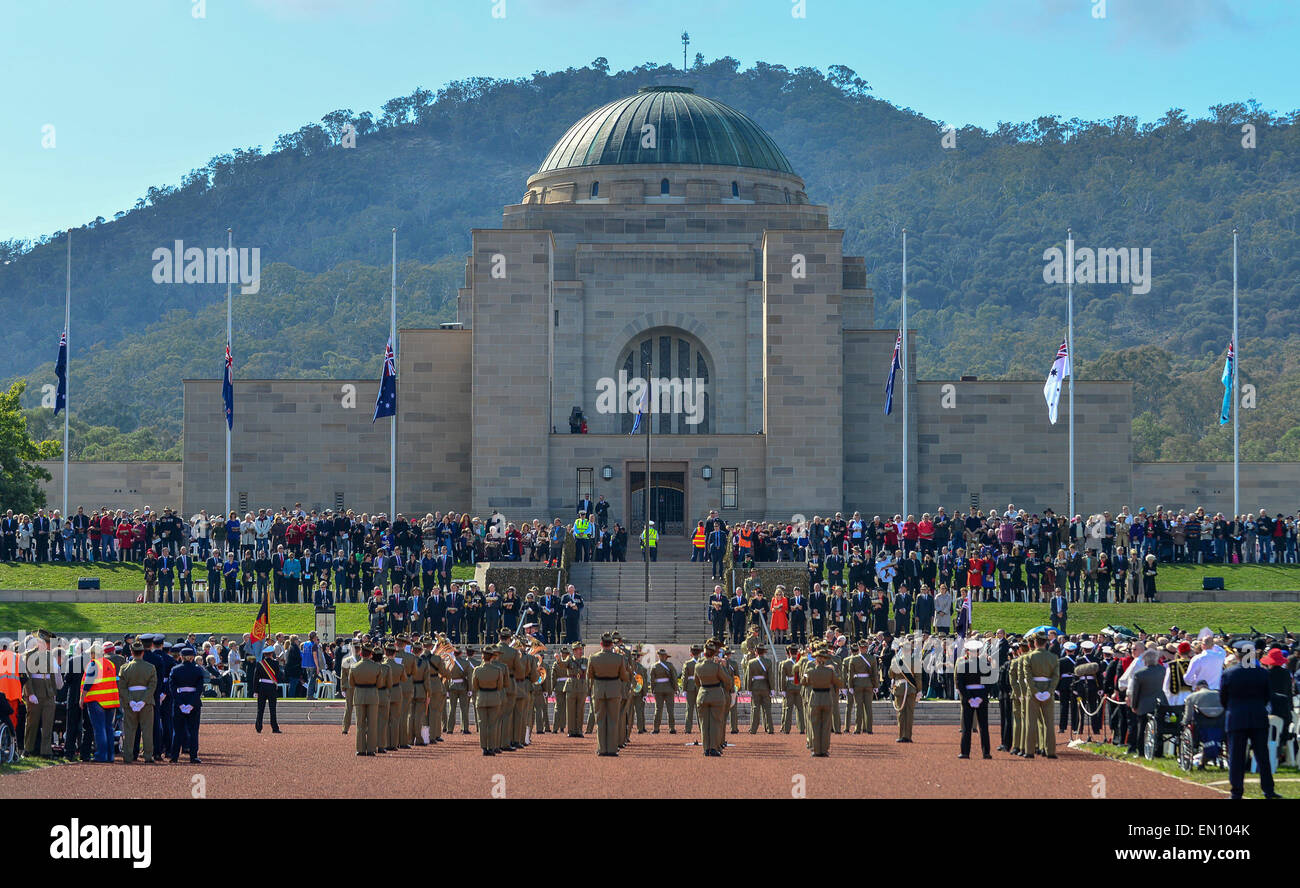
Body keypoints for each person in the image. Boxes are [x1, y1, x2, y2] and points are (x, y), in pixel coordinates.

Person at [1219, 649, 1281, 799]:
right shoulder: (1262, 673)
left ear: (1239, 656)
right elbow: (1267, 696)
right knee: (1262, 755)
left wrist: (1233, 709)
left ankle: (1236, 791)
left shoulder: (1229, 673)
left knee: (1236, 756)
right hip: (1258, 716)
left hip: (1236, 717)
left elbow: (1223, 698)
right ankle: (1268, 790)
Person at [587, 632, 630, 756]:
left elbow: (590, 675)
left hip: (599, 689)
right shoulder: (619, 658)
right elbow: (624, 677)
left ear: (601, 644)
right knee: (613, 720)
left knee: (600, 720)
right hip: (614, 690)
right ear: (611, 644)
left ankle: (602, 748)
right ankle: (612, 749)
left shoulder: (593, 657)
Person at [120, 641, 157, 763]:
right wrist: (143, 701)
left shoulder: (124, 668)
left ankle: (128, 756)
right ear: (143, 652)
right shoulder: (150, 667)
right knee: (147, 730)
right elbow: (152, 686)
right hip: (146, 703)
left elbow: (122, 687)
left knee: (129, 730)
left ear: (131, 652)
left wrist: (130, 701)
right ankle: (148, 755)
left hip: (130, 701)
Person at [956, 639, 993, 759]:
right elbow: (990, 683)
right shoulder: (985, 665)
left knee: (967, 726)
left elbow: (960, 684)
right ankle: (986, 752)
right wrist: (982, 697)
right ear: (978, 652)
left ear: (967, 652)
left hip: (968, 696)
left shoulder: (962, 665)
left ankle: (965, 752)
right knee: (983, 726)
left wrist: (968, 698)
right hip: (981, 695)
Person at [1025, 632, 1060, 758]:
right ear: (1046, 643)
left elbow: (1027, 677)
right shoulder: (1053, 657)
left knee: (1031, 722)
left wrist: (1035, 691)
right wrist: (1049, 691)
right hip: (1047, 691)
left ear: (1035, 643)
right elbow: (1056, 677)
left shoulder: (1029, 657)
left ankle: (1029, 751)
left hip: (1033, 692)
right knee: (1049, 723)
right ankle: (1050, 751)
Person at [805, 645, 844, 757]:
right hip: (827, 697)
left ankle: (816, 750)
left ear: (816, 659)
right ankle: (824, 750)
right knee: (826, 726)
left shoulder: (810, 670)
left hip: (815, 697)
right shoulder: (830, 670)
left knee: (815, 725)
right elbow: (839, 683)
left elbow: (803, 681)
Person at [168, 646, 205, 764]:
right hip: (193, 701)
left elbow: (172, 688)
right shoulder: (198, 670)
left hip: (180, 699)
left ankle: (174, 756)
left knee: (177, 730)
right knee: (193, 730)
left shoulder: (175, 669)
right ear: (192, 657)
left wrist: (179, 703)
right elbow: (199, 689)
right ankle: (193, 756)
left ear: (181, 657)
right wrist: (192, 704)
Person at [694, 640, 729, 757]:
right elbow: (727, 680)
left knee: (704, 723)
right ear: (714, 653)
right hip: (716, 695)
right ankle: (713, 747)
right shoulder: (717, 666)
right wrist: (724, 667)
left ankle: (706, 748)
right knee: (716, 722)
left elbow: (697, 682)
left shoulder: (697, 665)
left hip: (703, 694)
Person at [472, 645, 505, 756]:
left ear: (482, 657)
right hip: (494, 697)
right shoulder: (497, 670)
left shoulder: (477, 670)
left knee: (482, 724)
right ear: (492, 657)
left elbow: (474, 686)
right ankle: (491, 747)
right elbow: (500, 686)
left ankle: (484, 747)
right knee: (493, 724)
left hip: (481, 697)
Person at [348, 643, 381, 755]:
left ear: (361, 653)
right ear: (371, 654)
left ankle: (360, 749)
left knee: (360, 724)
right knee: (372, 724)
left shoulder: (354, 667)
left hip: (359, 695)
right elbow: (380, 684)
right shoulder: (377, 667)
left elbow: (351, 683)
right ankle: (371, 749)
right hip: (372, 695)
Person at [844, 638, 879, 734]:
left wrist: (850, 686)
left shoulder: (853, 659)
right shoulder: (872, 658)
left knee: (858, 707)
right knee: (868, 707)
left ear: (859, 647)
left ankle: (857, 729)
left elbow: (850, 675)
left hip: (857, 683)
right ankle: (869, 729)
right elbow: (875, 673)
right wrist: (876, 686)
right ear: (867, 647)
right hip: (868, 683)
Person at [745, 643, 775, 734]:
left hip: (755, 686)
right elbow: (771, 676)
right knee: (767, 709)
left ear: (756, 652)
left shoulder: (751, 662)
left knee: (755, 708)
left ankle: (753, 729)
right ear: (764, 652)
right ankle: (770, 728)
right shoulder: (768, 662)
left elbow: (748, 677)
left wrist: (748, 689)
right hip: (765, 686)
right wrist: (772, 688)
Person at [254, 647, 282, 734]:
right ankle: (274, 728)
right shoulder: (275, 663)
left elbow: (255, 678)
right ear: (271, 654)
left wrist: (255, 691)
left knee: (260, 709)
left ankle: (258, 727)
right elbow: (278, 675)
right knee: (272, 709)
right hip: (271, 687)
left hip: (262, 687)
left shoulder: (259, 664)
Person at [650, 649, 678, 733]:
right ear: (665, 657)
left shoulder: (654, 666)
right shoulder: (670, 665)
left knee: (658, 709)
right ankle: (672, 728)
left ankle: (656, 728)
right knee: (670, 710)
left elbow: (652, 680)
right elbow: (674, 678)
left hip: (658, 689)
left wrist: (652, 690)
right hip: (669, 689)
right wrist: (675, 689)